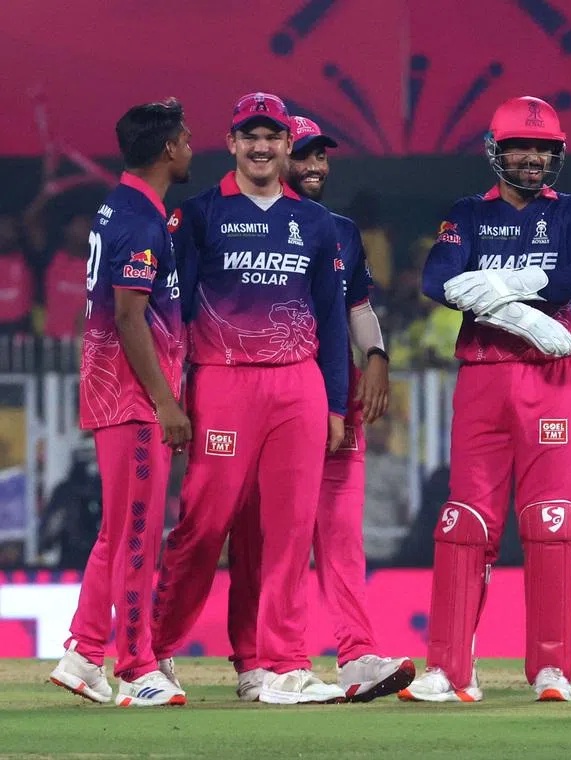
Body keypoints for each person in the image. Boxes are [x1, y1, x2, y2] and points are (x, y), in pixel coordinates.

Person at [398, 96, 571, 703]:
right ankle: (448, 671)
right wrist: (523, 315)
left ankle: (551, 670)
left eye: (544, 148)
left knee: (551, 519)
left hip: (549, 378)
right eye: (521, 146)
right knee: (463, 522)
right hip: (483, 378)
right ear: (496, 150)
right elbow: (438, 280)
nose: (533, 158)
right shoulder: (467, 214)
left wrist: (510, 285)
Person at [150, 92, 349, 705]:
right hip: (223, 381)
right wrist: (173, 396)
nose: (262, 147)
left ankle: (278, 663)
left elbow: (332, 317)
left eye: (273, 137)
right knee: (204, 526)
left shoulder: (316, 223)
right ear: (231, 143)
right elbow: (172, 311)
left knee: (288, 530)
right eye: (249, 136)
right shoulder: (199, 215)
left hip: (298, 385)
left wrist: (336, 405)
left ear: (289, 146)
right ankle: (152, 652)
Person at [223, 115, 415, 703]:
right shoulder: (238, 225)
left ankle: (355, 654)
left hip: (334, 399)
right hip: (272, 399)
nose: (313, 167)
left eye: (320, 158)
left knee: (339, 529)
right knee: (261, 534)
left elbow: (356, 306)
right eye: (302, 155)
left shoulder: (339, 230)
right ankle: (256, 660)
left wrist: (377, 354)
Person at [50, 98, 193, 707]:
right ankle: (136, 666)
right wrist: (166, 403)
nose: (191, 146)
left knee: (119, 530)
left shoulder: (124, 205)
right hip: (134, 401)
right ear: (167, 150)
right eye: (185, 139)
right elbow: (131, 317)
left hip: (118, 394)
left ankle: (84, 654)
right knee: (137, 537)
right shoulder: (138, 217)